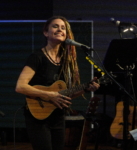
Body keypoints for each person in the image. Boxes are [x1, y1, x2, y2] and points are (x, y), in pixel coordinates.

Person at [15, 16, 100, 150]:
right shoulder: (37, 57)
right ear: (45, 33)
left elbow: (64, 96)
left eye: (63, 27)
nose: (60, 29)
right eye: (55, 26)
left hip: (58, 116)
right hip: (38, 117)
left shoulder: (66, 62)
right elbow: (20, 87)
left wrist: (86, 89)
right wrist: (49, 96)